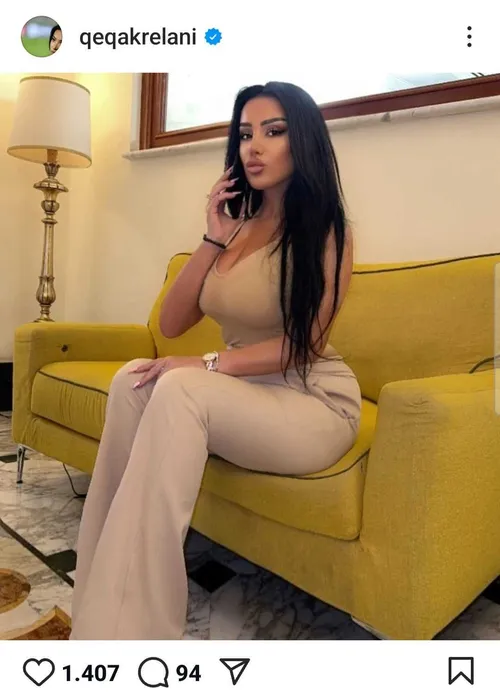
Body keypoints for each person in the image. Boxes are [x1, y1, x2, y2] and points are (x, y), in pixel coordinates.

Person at [70, 81, 362, 640]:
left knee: (180, 388)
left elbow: (305, 344)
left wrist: (204, 365)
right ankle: (96, 598)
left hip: (311, 400)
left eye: (274, 131)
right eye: (246, 134)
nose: (255, 146)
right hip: (242, 392)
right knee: (132, 379)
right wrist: (212, 237)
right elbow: (170, 323)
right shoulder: (237, 228)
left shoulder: (329, 231)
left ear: (302, 140)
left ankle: (133, 632)